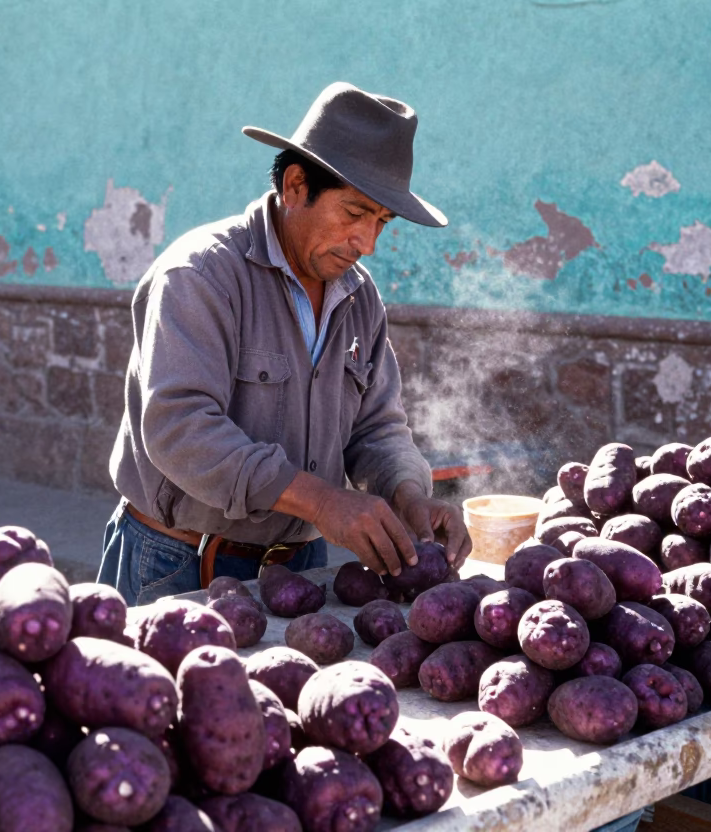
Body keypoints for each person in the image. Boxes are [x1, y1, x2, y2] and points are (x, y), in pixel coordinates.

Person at [99, 82, 472, 605]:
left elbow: (378, 428)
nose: (367, 243)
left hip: (300, 569)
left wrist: (408, 496)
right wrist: (321, 502)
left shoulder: (359, 296)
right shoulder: (200, 275)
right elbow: (179, 428)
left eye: (381, 223)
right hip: (179, 562)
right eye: (354, 213)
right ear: (296, 185)